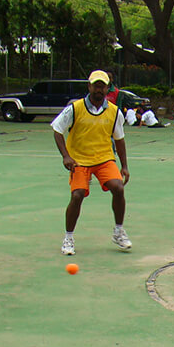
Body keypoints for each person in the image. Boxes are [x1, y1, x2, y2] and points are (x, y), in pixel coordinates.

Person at [52, 69, 132, 255]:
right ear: (89, 86)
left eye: (102, 86)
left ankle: (118, 231)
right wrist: (66, 156)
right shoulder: (75, 108)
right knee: (77, 195)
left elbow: (119, 140)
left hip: (104, 158)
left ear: (107, 89)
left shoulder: (114, 112)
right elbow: (57, 129)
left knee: (118, 188)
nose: (99, 89)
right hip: (79, 160)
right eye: (95, 85)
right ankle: (68, 237)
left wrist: (125, 166)